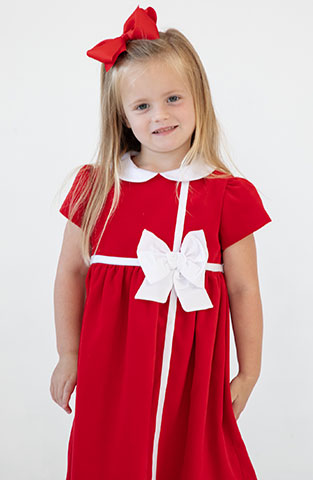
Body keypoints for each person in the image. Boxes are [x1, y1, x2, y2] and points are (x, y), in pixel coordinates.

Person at [50, 5, 272, 479]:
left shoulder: (226, 195)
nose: (161, 116)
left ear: (199, 99)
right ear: (123, 116)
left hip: (193, 382)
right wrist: (68, 352)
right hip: (113, 375)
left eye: (174, 98)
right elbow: (71, 272)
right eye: (143, 106)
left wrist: (249, 372)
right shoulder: (97, 190)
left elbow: (243, 290)